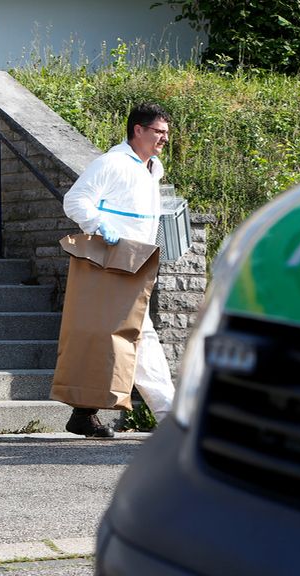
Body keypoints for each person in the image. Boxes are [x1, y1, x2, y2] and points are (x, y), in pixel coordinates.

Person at [61, 102, 177, 437]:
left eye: (167, 132)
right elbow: (76, 200)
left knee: (108, 338)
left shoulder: (152, 168)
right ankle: (170, 417)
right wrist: (100, 224)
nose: (164, 138)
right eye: (159, 131)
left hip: (137, 263)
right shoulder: (112, 163)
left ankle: (83, 412)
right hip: (115, 262)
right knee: (140, 335)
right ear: (137, 130)